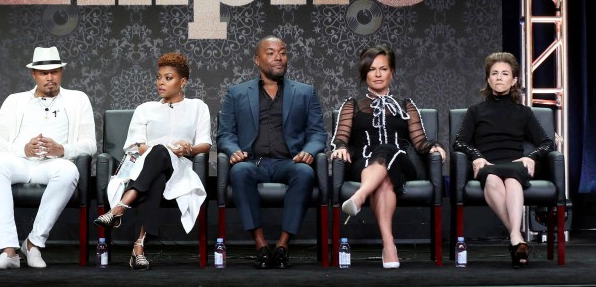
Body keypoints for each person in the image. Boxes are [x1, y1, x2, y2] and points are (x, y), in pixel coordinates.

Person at [216, 35, 327, 269]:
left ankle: (283, 245)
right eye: (271, 53)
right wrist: (233, 151)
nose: (278, 57)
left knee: (305, 173)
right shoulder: (236, 93)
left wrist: (309, 151)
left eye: (283, 52)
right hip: (252, 162)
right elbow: (225, 134)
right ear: (257, 60)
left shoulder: (305, 92)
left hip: (289, 161)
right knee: (239, 172)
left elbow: (318, 134)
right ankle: (261, 245)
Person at [329, 45, 445, 269]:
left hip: (400, 161)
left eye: (383, 68)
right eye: (372, 69)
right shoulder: (352, 105)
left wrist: (434, 147)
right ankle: (389, 246)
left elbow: (419, 141)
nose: (378, 74)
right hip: (363, 163)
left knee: (387, 149)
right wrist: (340, 147)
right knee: (383, 183)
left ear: (392, 72)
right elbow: (340, 137)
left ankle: (360, 196)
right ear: (365, 74)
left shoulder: (405, 105)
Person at [94, 52, 211, 270]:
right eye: (159, 77)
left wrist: (188, 148)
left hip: (179, 169)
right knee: (157, 165)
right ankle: (138, 247)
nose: (160, 82)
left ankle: (119, 208)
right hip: (145, 166)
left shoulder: (197, 107)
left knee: (159, 160)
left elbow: (205, 145)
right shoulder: (145, 109)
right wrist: (166, 149)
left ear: (183, 81)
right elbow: (135, 146)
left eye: (168, 78)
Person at [0, 46, 96, 270]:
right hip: (20, 161)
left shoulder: (78, 99)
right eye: (44, 73)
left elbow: (90, 145)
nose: (50, 77)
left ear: (61, 73)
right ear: (33, 75)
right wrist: (22, 149)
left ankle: (33, 243)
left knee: (69, 171)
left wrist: (61, 149)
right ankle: (9, 252)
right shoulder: (15, 101)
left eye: (55, 72)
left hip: (54, 164)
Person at [453, 52, 554, 268]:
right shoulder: (475, 111)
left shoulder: (523, 112)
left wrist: (531, 156)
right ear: (488, 79)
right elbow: (459, 142)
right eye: (494, 73)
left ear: (514, 80)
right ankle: (517, 238)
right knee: (491, 179)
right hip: (488, 164)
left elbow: (547, 143)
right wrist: (477, 157)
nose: (499, 78)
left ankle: (515, 237)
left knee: (512, 179)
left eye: (505, 73)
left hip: (515, 164)